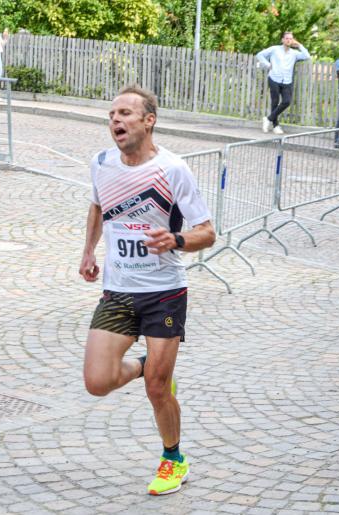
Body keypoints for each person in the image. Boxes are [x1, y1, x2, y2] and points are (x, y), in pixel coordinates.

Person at [80, 86, 216, 495]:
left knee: (157, 389)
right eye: (112, 114)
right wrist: (88, 251)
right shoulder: (102, 163)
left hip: (164, 292)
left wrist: (176, 240)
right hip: (118, 290)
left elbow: (207, 232)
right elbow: (98, 206)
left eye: (125, 113)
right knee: (97, 381)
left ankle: (173, 459)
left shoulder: (173, 169)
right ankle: (148, 365)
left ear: (148, 120)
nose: (115, 120)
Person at [257, 32, 311, 135]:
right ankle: (275, 126)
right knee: (275, 102)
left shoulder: (294, 53)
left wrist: (299, 45)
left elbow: (307, 56)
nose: (288, 40)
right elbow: (259, 55)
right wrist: (268, 64)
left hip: (287, 81)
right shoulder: (274, 49)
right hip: (274, 78)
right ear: (282, 40)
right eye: (286, 38)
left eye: (290, 39)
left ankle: (268, 119)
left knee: (287, 101)